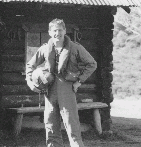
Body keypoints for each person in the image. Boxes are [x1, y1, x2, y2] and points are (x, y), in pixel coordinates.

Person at [25, 19, 97, 147]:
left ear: (64, 30)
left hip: (67, 89)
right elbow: (30, 65)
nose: (57, 33)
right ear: (49, 32)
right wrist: (31, 82)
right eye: (54, 30)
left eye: (59, 30)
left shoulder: (75, 48)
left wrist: (79, 81)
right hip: (50, 90)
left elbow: (92, 64)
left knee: (71, 124)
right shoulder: (45, 48)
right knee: (51, 124)